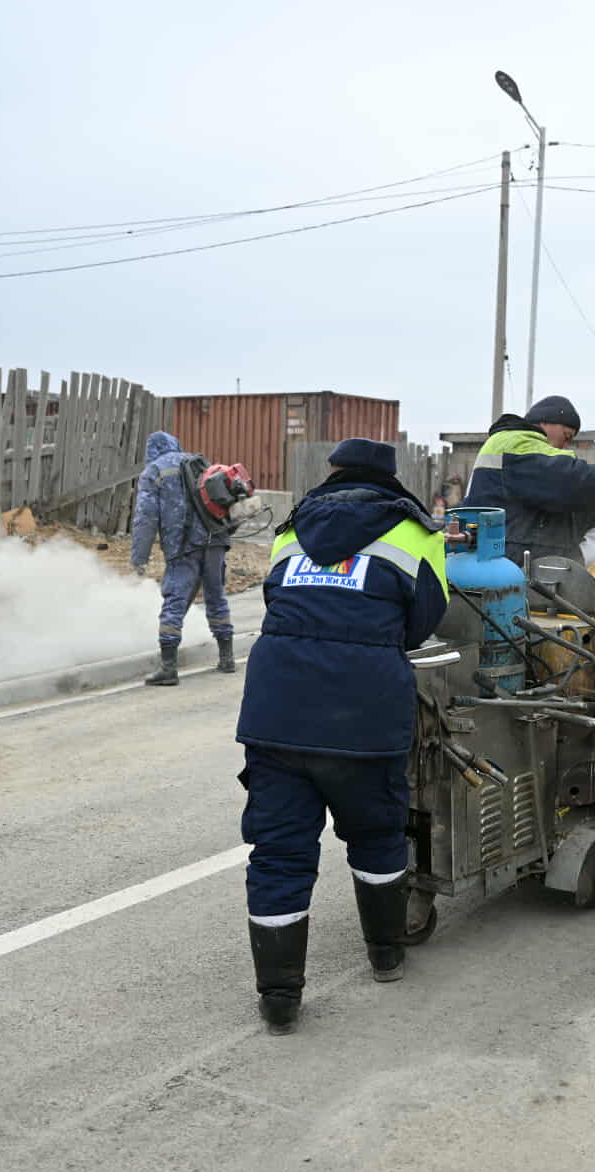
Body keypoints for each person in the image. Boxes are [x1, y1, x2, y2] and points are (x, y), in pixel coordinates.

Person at [235, 438, 449, 1035]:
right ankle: (386, 956)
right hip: (364, 714)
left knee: (278, 852)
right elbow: (425, 619)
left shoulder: (289, 529)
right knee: (378, 835)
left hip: (277, 714)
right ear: (391, 479)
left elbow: (276, 600)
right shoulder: (417, 534)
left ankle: (279, 1001)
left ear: (332, 475)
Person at [463, 395, 595, 566]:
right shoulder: (520, 442)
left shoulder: (508, 444)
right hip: (511, 558)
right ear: (546, 423)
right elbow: (573, 481)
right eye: (566, 436)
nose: (565, 446)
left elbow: (554, 501)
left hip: (499, 548)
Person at [131, 430, 235, 685]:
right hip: (216, 540)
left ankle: (168, 668)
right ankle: (227, 658)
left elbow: (146, 518)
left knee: (175, 599)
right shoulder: (199, 462)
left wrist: (139, 558)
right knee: (216, 596)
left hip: (183, 545)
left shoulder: (154, 471)